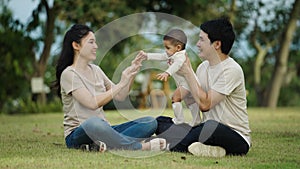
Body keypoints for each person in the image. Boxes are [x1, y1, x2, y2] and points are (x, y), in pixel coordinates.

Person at [53, 24, 166, 152]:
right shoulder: (69, 74)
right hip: (79, 133)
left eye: (95, 42)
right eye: (91, 42)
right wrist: (121, 83)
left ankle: (104, 145)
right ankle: (139, 147)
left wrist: (131, 75)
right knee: (94, 123)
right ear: (76, 45)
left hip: (105, 130)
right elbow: (92, 103)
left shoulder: (96, 70)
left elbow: (120, 95)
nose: (96, 46)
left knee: (149, 122)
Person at [154, 18, 251, 157]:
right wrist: (179, 84)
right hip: (203, 129)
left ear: (217, 44)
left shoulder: (231, 70)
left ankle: (172, 145)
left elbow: (205, 104)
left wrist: (188, 72)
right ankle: (212, 149)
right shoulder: (203, 67)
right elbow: (193, 96)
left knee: (210, 126)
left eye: (202, 40)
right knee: (160, 122)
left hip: (234, 136)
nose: (197, 44)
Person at [142, 29, 201, 127]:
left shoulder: (181, 56)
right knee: (190, 102)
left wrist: (167, 73)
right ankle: (197, 120)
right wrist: (147, 56)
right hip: (185, 84)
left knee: (175, 98)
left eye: (167, 47)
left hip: (188, 83)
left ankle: (179, 119)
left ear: (178, 47)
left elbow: (177, 65)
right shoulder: (172, 54)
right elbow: (161, 56)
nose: (166, 50)